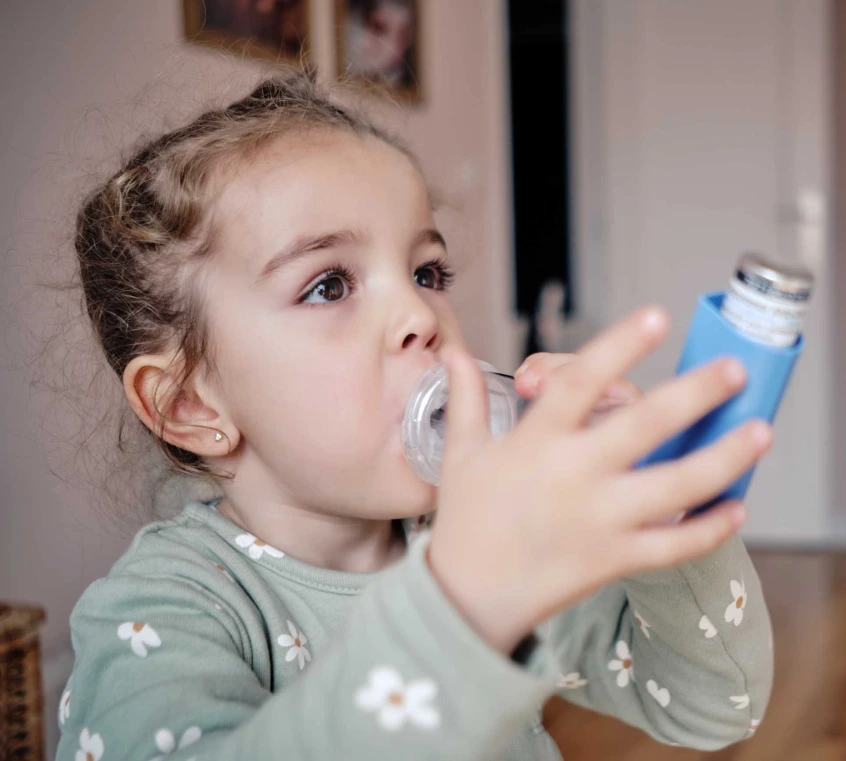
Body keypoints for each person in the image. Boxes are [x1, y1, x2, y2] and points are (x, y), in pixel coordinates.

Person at [56, 69, 774, 761]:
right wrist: (461, 608)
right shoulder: (163, 608)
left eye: (427, 273)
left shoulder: (471, 529)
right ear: (189, 404)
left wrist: (660, 508)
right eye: (328, 285)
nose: (417, 314)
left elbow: (713, 703)